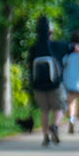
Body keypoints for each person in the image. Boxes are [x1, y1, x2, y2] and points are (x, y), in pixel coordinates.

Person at [28, 16, 67, 147]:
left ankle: (45, 138)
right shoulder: (57, 46)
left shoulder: (33, 49)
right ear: (51, 33)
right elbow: (73, 48)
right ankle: (55, 126)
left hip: (38, 85)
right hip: (55, 84)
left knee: (44, 110)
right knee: (59, 107)